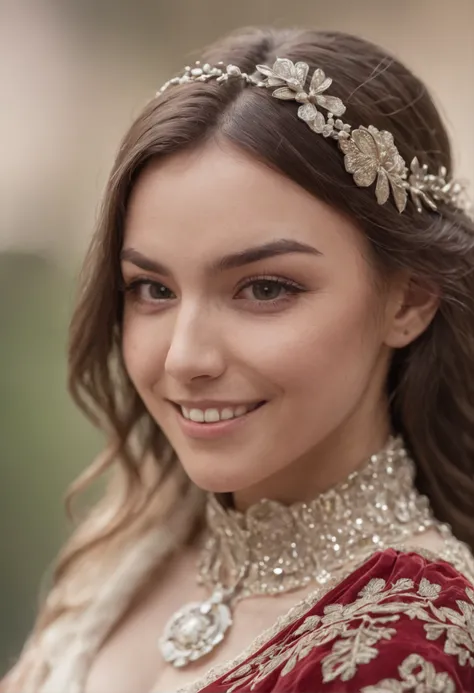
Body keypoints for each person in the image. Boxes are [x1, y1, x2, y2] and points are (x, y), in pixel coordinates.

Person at [2, 25, 474, 693]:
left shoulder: (411, 636)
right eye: (153, 289)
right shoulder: (132, 551)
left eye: (265, 288)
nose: (185, 356)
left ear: (410, 300)